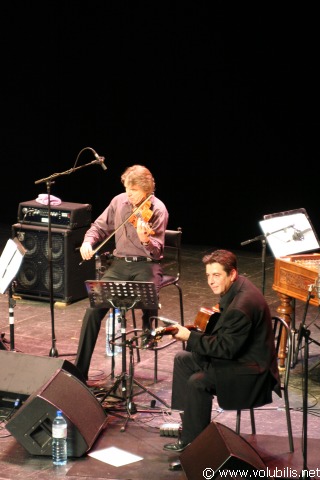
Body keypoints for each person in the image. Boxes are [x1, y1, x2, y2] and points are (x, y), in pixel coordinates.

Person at [163, 249, 281, 459]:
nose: (211, 281)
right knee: (183, 360)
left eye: (216, 275)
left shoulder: (241, 306)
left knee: (197, 382)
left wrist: (189, 337)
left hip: (252, 372)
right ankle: (190, 424)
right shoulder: (238, 288)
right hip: (240, 359)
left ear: (232, 274)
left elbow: (226, 349)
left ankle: (196, 445)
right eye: (208, 275)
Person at [75, 165, 169, 381]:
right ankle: (80, 373)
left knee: (148, 291)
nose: (128, 193)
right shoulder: (119, 202)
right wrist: (88, 242)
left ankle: (149, 329)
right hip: (119, 265)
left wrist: (146, 239)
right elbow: (98, 226)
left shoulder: (157, 209)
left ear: (145, 190)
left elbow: (158, 250)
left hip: (147, 263)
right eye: (127, 188)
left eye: (133, 189)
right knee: (92, 310)